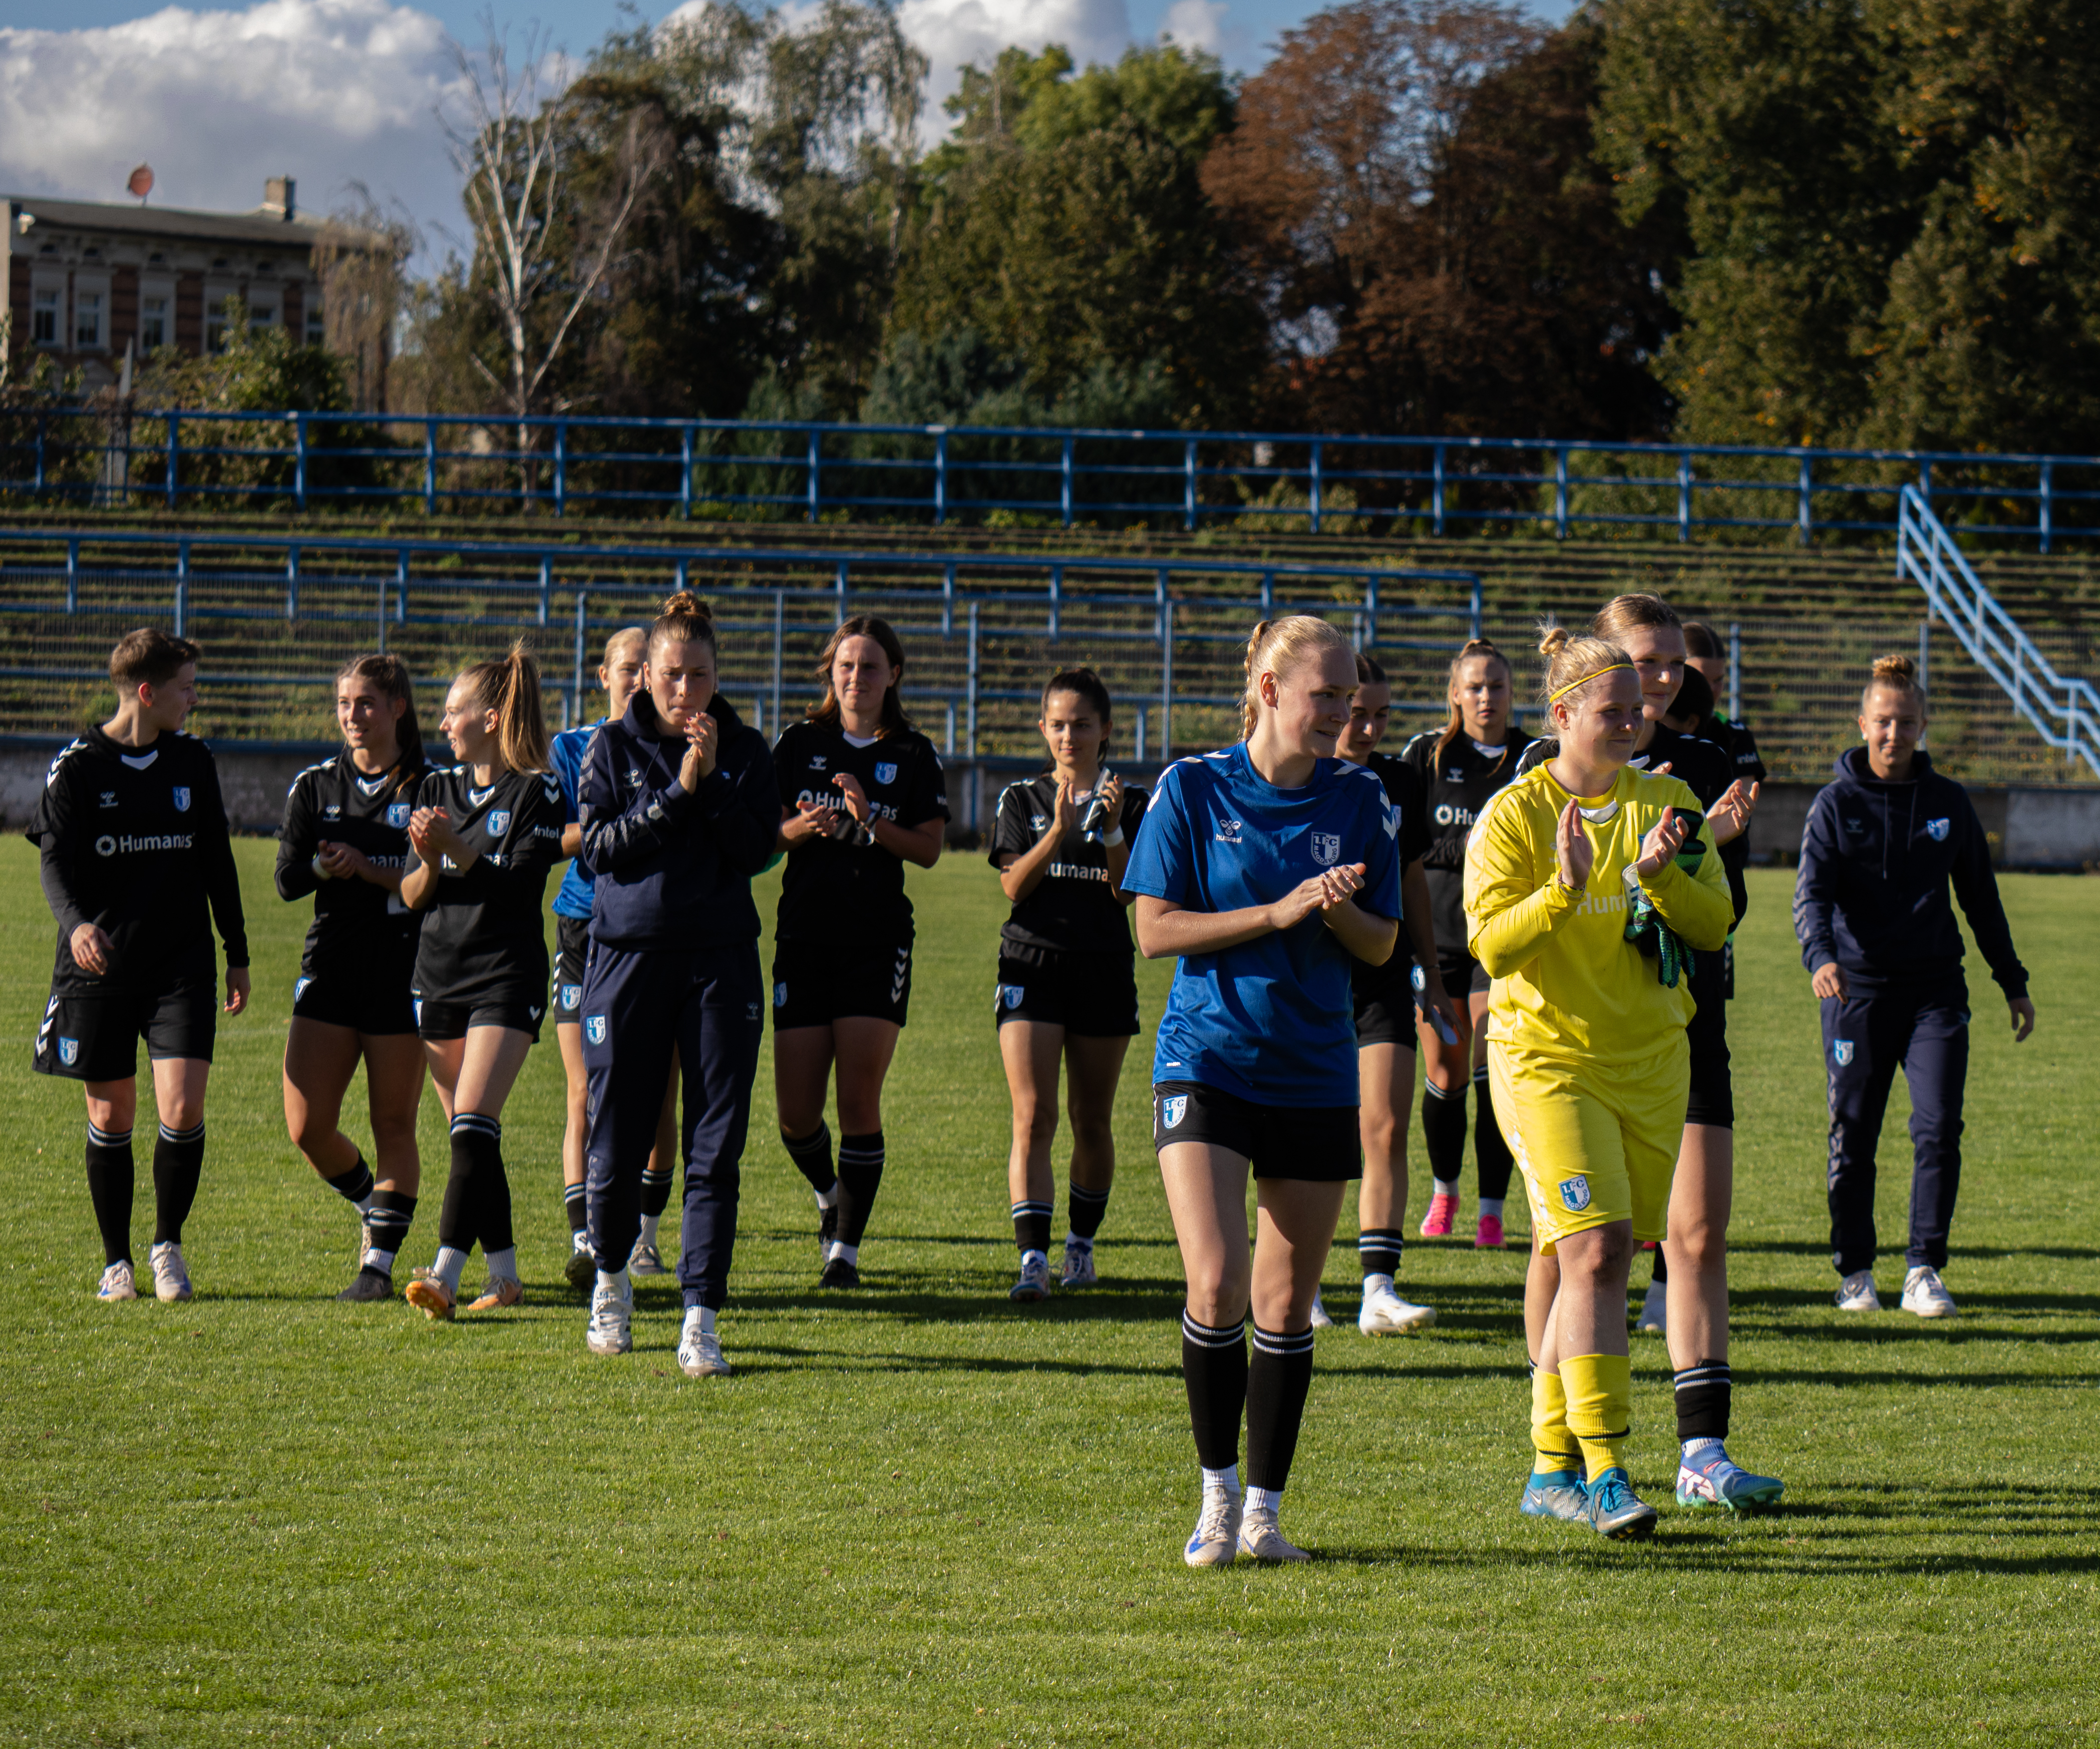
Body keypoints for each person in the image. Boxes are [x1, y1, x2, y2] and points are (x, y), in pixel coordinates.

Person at [1124, 615, 1402, 1566]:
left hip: (1314, 1069)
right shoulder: (1192, 787)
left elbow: (1381, 944)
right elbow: (1153, 930)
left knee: (1284, 1307)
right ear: (1270, 690)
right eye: (1325, 695)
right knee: (1216, 1280)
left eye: (1348, 697)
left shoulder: (1361, 797)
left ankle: (1264, 1512)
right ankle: (1214, 1496)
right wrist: (1276, 911)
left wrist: (1338, 909)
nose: (1341, 713)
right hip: (1205, 1058)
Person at [1467, 625, 1731, 1540]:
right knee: (1593, 1251)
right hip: (1544, 1063)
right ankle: (1606, 1469)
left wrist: (1656, 878)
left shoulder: (1669, 801)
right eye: (1612, 710)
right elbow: (1490, 945)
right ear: (1561, 713)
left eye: (1637, 710)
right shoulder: (1514, 815)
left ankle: (1548, 1468)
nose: (1631, 722)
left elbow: (1713, 923)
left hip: (1650, 1064)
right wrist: (1562, 888)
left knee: (1600, 1257)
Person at [1517, 596, 1777, 1512]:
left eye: (1673, 664)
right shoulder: (1546, 770)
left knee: (1693, 1232)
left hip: (1680, 1019)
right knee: (1571, 1250)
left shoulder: (1699, 764)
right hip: (1571, 1040)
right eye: (1643, 663)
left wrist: (1699, 845)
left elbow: (1718, 904)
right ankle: (1558, 1453)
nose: (1662, 681)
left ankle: (1701, 1450)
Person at [1795, 653, 2034, 1320]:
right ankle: (1855, 1273)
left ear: (1923, 725)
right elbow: (1811, 895)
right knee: (1853, 1134)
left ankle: (1923, 1269)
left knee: (1937, 1128)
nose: (1892, 733)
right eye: (1882, 721)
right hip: (1855, 995)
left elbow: (1981, 899)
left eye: (1904, 721)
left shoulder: (1947, 803)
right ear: (1861, 723)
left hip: (1935, 994)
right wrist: (1821, 957)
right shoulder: (1835, 804)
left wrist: (2011, 981)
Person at [576, 593, 778, 1371]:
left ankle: (701, 1315)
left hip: (720, 962)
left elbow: (756, 850)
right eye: (670, 674)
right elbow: (599, 849)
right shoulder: (609, 747)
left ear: (716, 677)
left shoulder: (746, 749)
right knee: (615, 1136)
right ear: (645, 675)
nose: (684, 689)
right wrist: (675, 794)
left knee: (714, 1144)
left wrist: (713, 780)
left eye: (698, 675)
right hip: (626, 961)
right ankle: (611, 1282)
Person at [30, 628, 249, 1303]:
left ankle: (167, 1246)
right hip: (100, 966)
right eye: (186, 688)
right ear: (147, 693)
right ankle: (116, 1261)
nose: (194, 699)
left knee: (182, 1107)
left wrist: (237, 951)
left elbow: (217, 860)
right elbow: (53, 863)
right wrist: (78, 925)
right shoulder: (77, 767)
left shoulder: (193, 760)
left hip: (180, 964)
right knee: (112, 1112)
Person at [771, 616, 949, 1289]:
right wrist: (802, 825)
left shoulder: (912, 751)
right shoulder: (798, 742)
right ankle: (829, 1195)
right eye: (846, 665)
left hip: (876, 941)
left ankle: (843, 1251)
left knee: (857, 1102)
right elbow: (765, 833)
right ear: (830, 671)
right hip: (802, 938)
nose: (856, 677)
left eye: (870, 666)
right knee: (795, 1115)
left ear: (893, 674)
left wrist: (870, 819)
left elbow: (929, 849)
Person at [398, 645, 565, 1321]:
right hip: (438, 974)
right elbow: (413, 896)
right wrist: (426, 859)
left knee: (471, 1126)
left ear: (490, 718)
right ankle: (506, 1275)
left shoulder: (537, 790)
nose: (443, 724)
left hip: (505, 976)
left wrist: (457, 849)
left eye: (453, 711)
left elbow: (519, 891)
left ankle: (443, 1273)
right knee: (474, 1135)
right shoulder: (437, 789)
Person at [987, 668, 1147, 1300]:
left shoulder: (1133, 801)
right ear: (1042, 728)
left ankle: (1080, 1245)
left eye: (1082, 724)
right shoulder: (1022, 799)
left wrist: (1110, 828)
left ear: (1106, 729)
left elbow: (1128, 893)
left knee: (1092, 1120)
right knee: (1033, 1115)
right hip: (1032, 963)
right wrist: (1057, 829)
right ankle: (1033, 1258)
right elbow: (1012, 885)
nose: (1068, 735)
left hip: (1102, 966)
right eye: (1057, 724)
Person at [275, 654, 430, 1302]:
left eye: (365, 702)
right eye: (344, 703)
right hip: (331, 969)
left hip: (404, 970)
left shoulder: (430, 786)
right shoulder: (315, 785)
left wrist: (369, 868)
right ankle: (372, 1202)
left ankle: (379, 1267)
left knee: (393, 1120)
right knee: (307, 1126)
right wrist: (322, 867)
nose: (353, 714)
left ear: (397, 707)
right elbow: (287, 880)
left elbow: (438, 884)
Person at [1329, 652, 1457, 1335]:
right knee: (1317, 1130)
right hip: (1312, 975)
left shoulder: (1400, 780)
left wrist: (1431, 973)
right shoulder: (1297, 776)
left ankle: (1378, 1287)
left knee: (1383, 1126)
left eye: (1381, 715)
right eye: (1358, 713)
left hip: (1384, 973)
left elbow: (1413, 881)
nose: (1370, 728)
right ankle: (1302, 1283)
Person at [549, 627, 678, 1291]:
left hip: (653, 929)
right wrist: (624, 825)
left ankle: (647, 1235)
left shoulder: (673, 743)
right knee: (584, 1088)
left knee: (658, 1093)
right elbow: (556, 833)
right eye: (626, 668)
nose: (637, 680)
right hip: (582, 924)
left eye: (646, 669)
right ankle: (586, 1237)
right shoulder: (572, 747)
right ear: (603, 675)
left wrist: (616, 823)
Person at [1397, 639, 1534, 1249]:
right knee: (1446, 1074)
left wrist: (1460, 849)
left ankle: (1491, 1211)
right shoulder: (1425, 754)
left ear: (1512, 692)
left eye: (1496, 686)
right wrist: (1473, 845)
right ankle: (1445, 1190)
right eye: (1474, 686)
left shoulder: (1533, 755)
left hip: (1499, 941)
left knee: (1490, 1072)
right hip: (1437, 939)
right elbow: (1409, 840)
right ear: (1454, 692)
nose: (1486, 697)